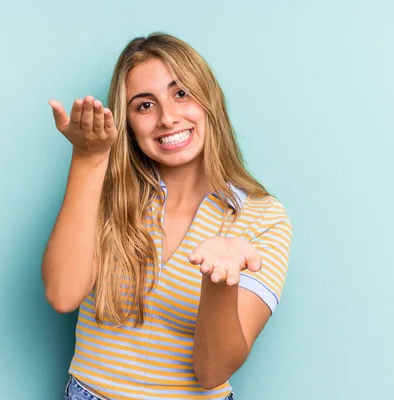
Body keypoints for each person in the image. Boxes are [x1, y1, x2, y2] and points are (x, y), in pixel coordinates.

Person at [43, 32, 293, 400]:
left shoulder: (263, 218)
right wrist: (89, 158)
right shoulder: (110, 192)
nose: (167, 118)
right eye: (144, 105)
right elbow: (62, 295)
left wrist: (220, 279)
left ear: (210, 101)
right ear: (127, 122)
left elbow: (212, 371)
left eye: (181, 93)